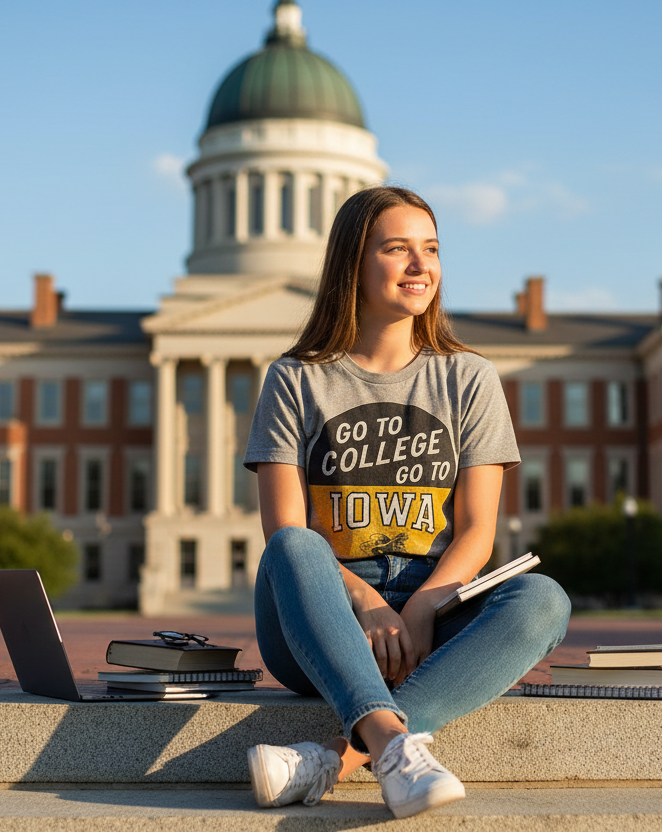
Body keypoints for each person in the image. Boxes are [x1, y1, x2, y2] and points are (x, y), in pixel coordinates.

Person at [243, 186, 571, 819]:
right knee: (295, 543)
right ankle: (396, 747)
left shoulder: (468, 376)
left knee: (543, 600)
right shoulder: (296, 378)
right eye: (398, 249)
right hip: (319, 612)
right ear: (353, 264)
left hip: (437, 600)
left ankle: (333, 759)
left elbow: (477, 532)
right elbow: (283, 531)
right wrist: (365, 605)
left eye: (432, 249)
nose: (422, 266)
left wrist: (422, 608)